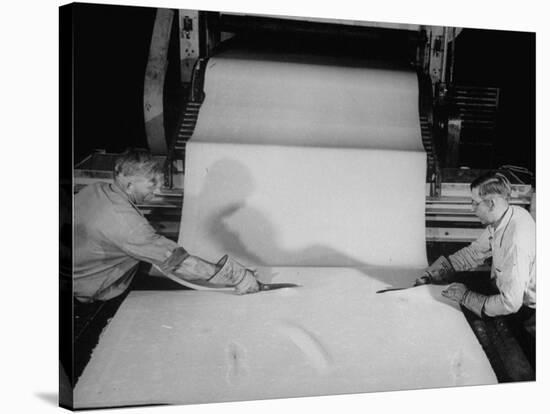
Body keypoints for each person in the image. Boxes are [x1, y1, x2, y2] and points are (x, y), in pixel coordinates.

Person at [74, 148, 261, 303]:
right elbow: (181, 264)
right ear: (130, 185)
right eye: (151, 185)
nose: (157, 192)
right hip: (92, 292)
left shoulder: (95, 189)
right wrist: (237, 277)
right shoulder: (130, 227)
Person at [415, 172, 536, 336]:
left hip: (530, 312)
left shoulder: (515, 241)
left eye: (475, 203)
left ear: (491, 204)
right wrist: (436, 272)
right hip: (510, 294)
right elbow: (474, 252)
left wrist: (466, 297)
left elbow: (511, 303)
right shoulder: (508, 215)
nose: (472, 208)